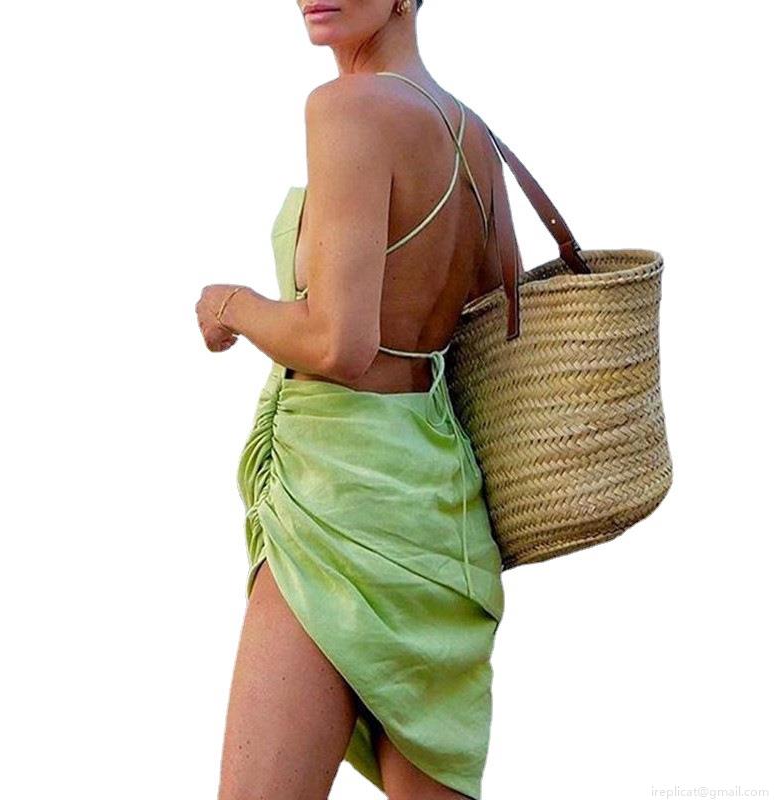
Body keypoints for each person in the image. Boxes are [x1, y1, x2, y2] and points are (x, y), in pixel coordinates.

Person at [195, 1, 520, 798]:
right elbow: (497, 312)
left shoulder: (348, 108)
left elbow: (341, 343)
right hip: (441, 514)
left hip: (338, 497)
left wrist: (231, 304)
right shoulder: (475, 139)